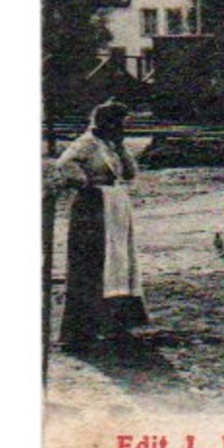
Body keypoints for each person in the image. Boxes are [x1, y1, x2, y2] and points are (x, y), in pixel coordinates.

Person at [50, 100, 149, 353]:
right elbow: (64, 163)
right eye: (120, 124)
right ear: (108, 122)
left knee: (119, 262)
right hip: (93, 207)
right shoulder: (87, 142)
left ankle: (116, 324)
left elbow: (128, 174)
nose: (123, 129)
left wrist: (122, 150)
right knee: (95, 263)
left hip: (115, 206)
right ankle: (84, 330)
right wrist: (85, 183)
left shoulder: (110, 145)